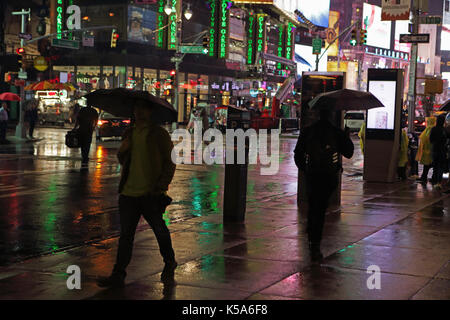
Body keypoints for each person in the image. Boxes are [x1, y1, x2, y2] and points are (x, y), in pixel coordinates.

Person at [97, 100, 177, 288]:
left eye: (144, 108)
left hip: (150, 193)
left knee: (159, 229)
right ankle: (118, 274)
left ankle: (169, 259)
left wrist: (161, 186)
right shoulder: (129, 132)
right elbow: (124, 160)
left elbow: (170, 161)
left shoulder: (159, 134)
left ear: (150, 112)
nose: (139, 112)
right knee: (126, 236)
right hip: (128, 193)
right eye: (137, 108)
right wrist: (122, 151)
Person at [294, 108, 354, 261]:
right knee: (321, 209)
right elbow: (348, 152)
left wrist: (305, 170)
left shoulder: (308, 131)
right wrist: (346, 136)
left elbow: (298, 154)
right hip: (328, 178)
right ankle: (315, 243)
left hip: (312, 176)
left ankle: (311, 234)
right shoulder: (336, 132)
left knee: (313, 206)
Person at [429, 115, 448, 189]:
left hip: (435, 149)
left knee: (435, 165)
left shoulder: (434, 129)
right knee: (441, 166)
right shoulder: (445, 130)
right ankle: (439, 182)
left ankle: (434, 180)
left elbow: (431, 139)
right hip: (442, 150)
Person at [415, 117, 435, 183]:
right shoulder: (432, 128)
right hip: (430, 150)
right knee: (429, 165)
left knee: (427, 165)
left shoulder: (429, 129)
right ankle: (429, 177)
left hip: (428, 150)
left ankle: (424, 177)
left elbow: (426, 138)